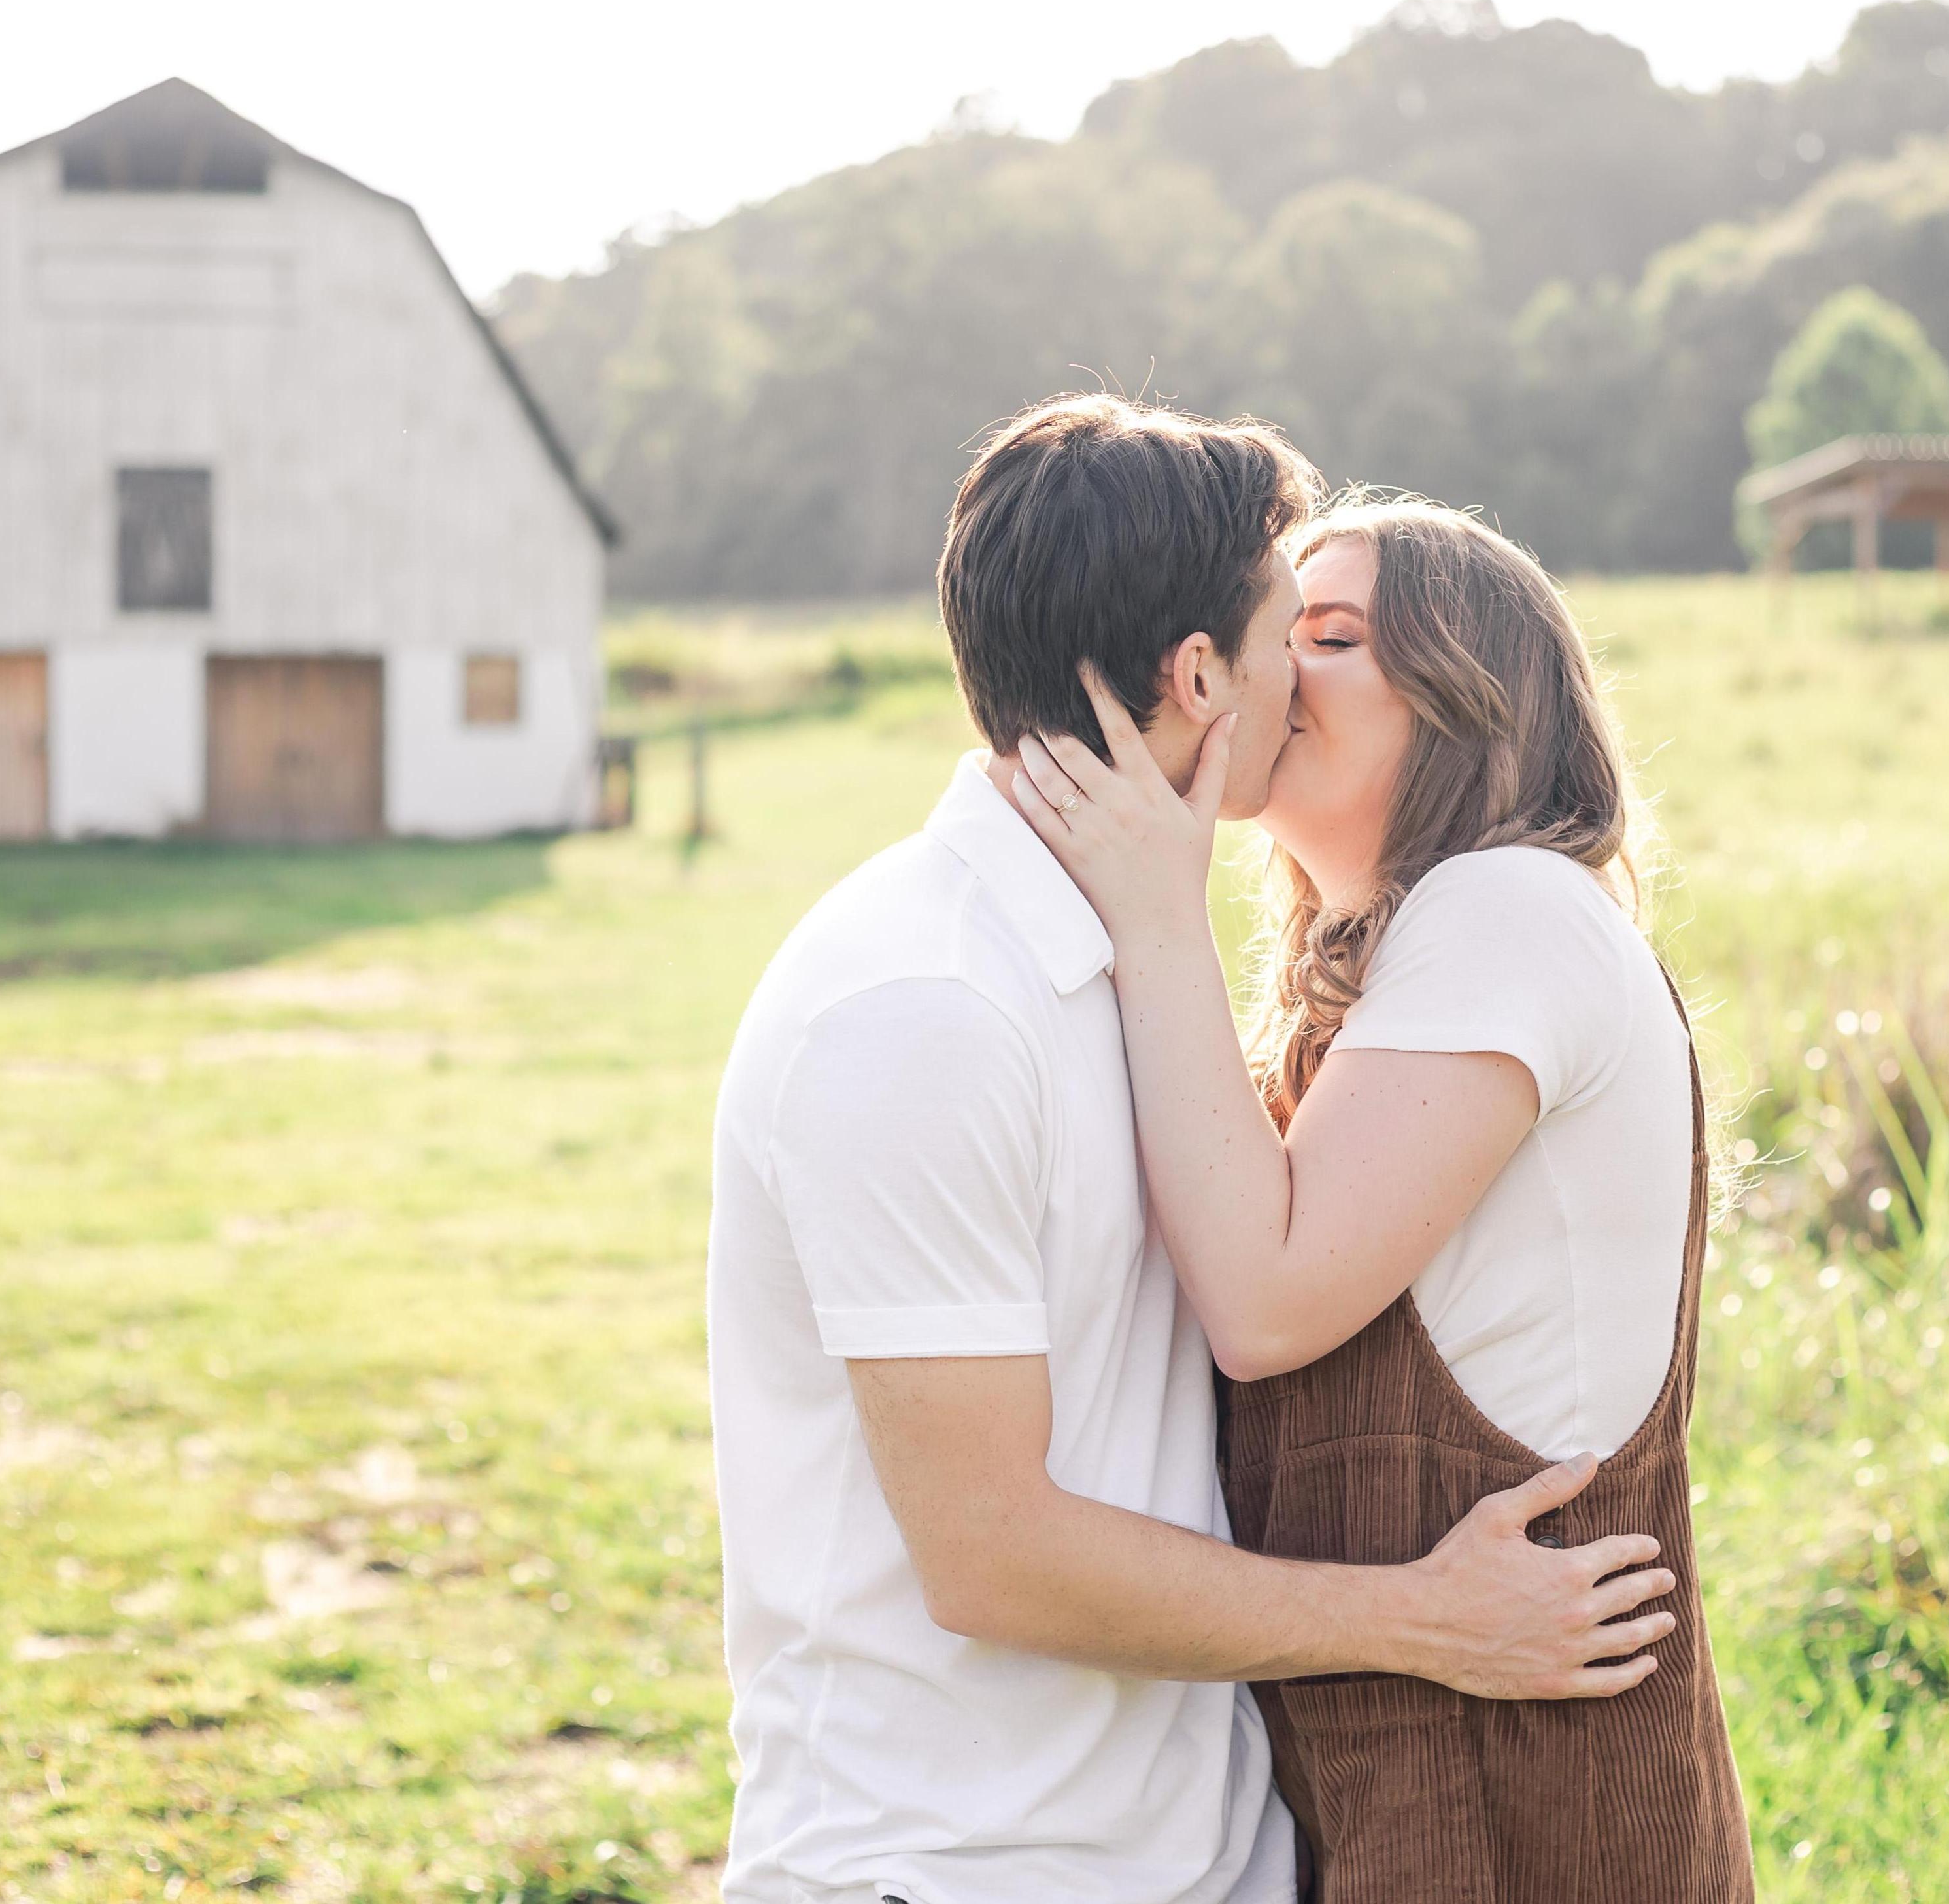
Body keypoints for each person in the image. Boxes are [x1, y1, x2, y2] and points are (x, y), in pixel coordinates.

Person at [707, 403, 1679, 1904]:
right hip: (960, 1864)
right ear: (1201, 673)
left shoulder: (1129, 972)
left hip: (1209, 1851)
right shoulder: (921, 1006)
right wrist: (1418, 1618)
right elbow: (990, 1551)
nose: (1302, 669)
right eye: (1298, 626)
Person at [1011, 493, 1755, 1901]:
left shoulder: (1505, 908)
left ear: (1474, 691)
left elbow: (1263, 1300)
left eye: (1332, 632)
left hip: (1527, 1803)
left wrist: (1152, 905)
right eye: (1272, 629)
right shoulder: (1401, 969)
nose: (1274, 666)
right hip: (1412, 1783)